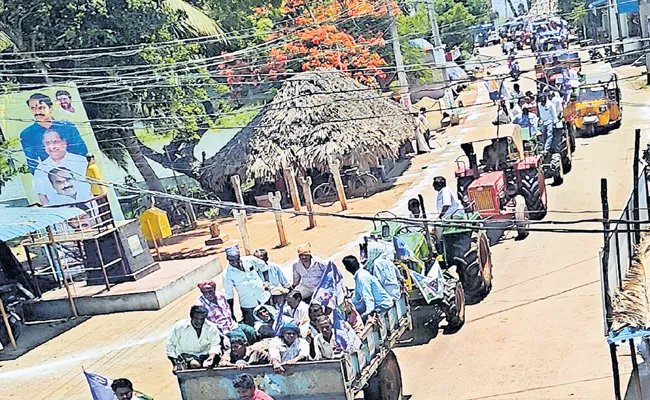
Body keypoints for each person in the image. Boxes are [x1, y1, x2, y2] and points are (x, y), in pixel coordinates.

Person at [20, 93, 88, 174]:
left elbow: (81, 151)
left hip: (77, 171)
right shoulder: (27, 134)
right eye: (33, 108)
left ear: (51, 108)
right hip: (50, 176)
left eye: (41, 108)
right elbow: (32, 163)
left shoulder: (67, 127)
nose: (37, 112)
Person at [32, 129, 93, 206]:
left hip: (89, 209)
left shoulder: (81, 161)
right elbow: (42, 196)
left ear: (64, 142)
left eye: (55, 142)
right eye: (47, 143)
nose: (52, 147)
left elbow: (93, 188)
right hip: (62, 213)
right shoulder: (40, 169)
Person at [222, 245, 271, 326]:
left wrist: (266, 281)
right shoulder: (227, 274)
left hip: (263, 298)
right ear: (227, 259)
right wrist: (231, 313)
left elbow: (263, 266)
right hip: (248, 305)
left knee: (271, 322)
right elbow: (229, 295)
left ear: (239, 256)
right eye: (231, 260)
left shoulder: (250, 260)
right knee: (255, 327)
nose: (235, 262)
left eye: (236, 259)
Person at [166, 306, 223, 371]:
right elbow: (170, 345)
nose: (199, 321)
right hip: (187, 356)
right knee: (194, 364)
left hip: (206, 354)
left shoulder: (211, 327)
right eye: (196, 318)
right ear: (191, 317)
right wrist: (175, 364)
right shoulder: (179, 327)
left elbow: (215, 344)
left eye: (202, 319)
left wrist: (211, 357)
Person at [342, 255, 393, 322]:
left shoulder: (362, 278)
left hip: (382, 305)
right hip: (378, 304)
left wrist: (368, 313)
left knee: (358, 320)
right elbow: (356, 297)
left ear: (347, 269)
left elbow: (368, 298)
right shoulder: (360, 275)